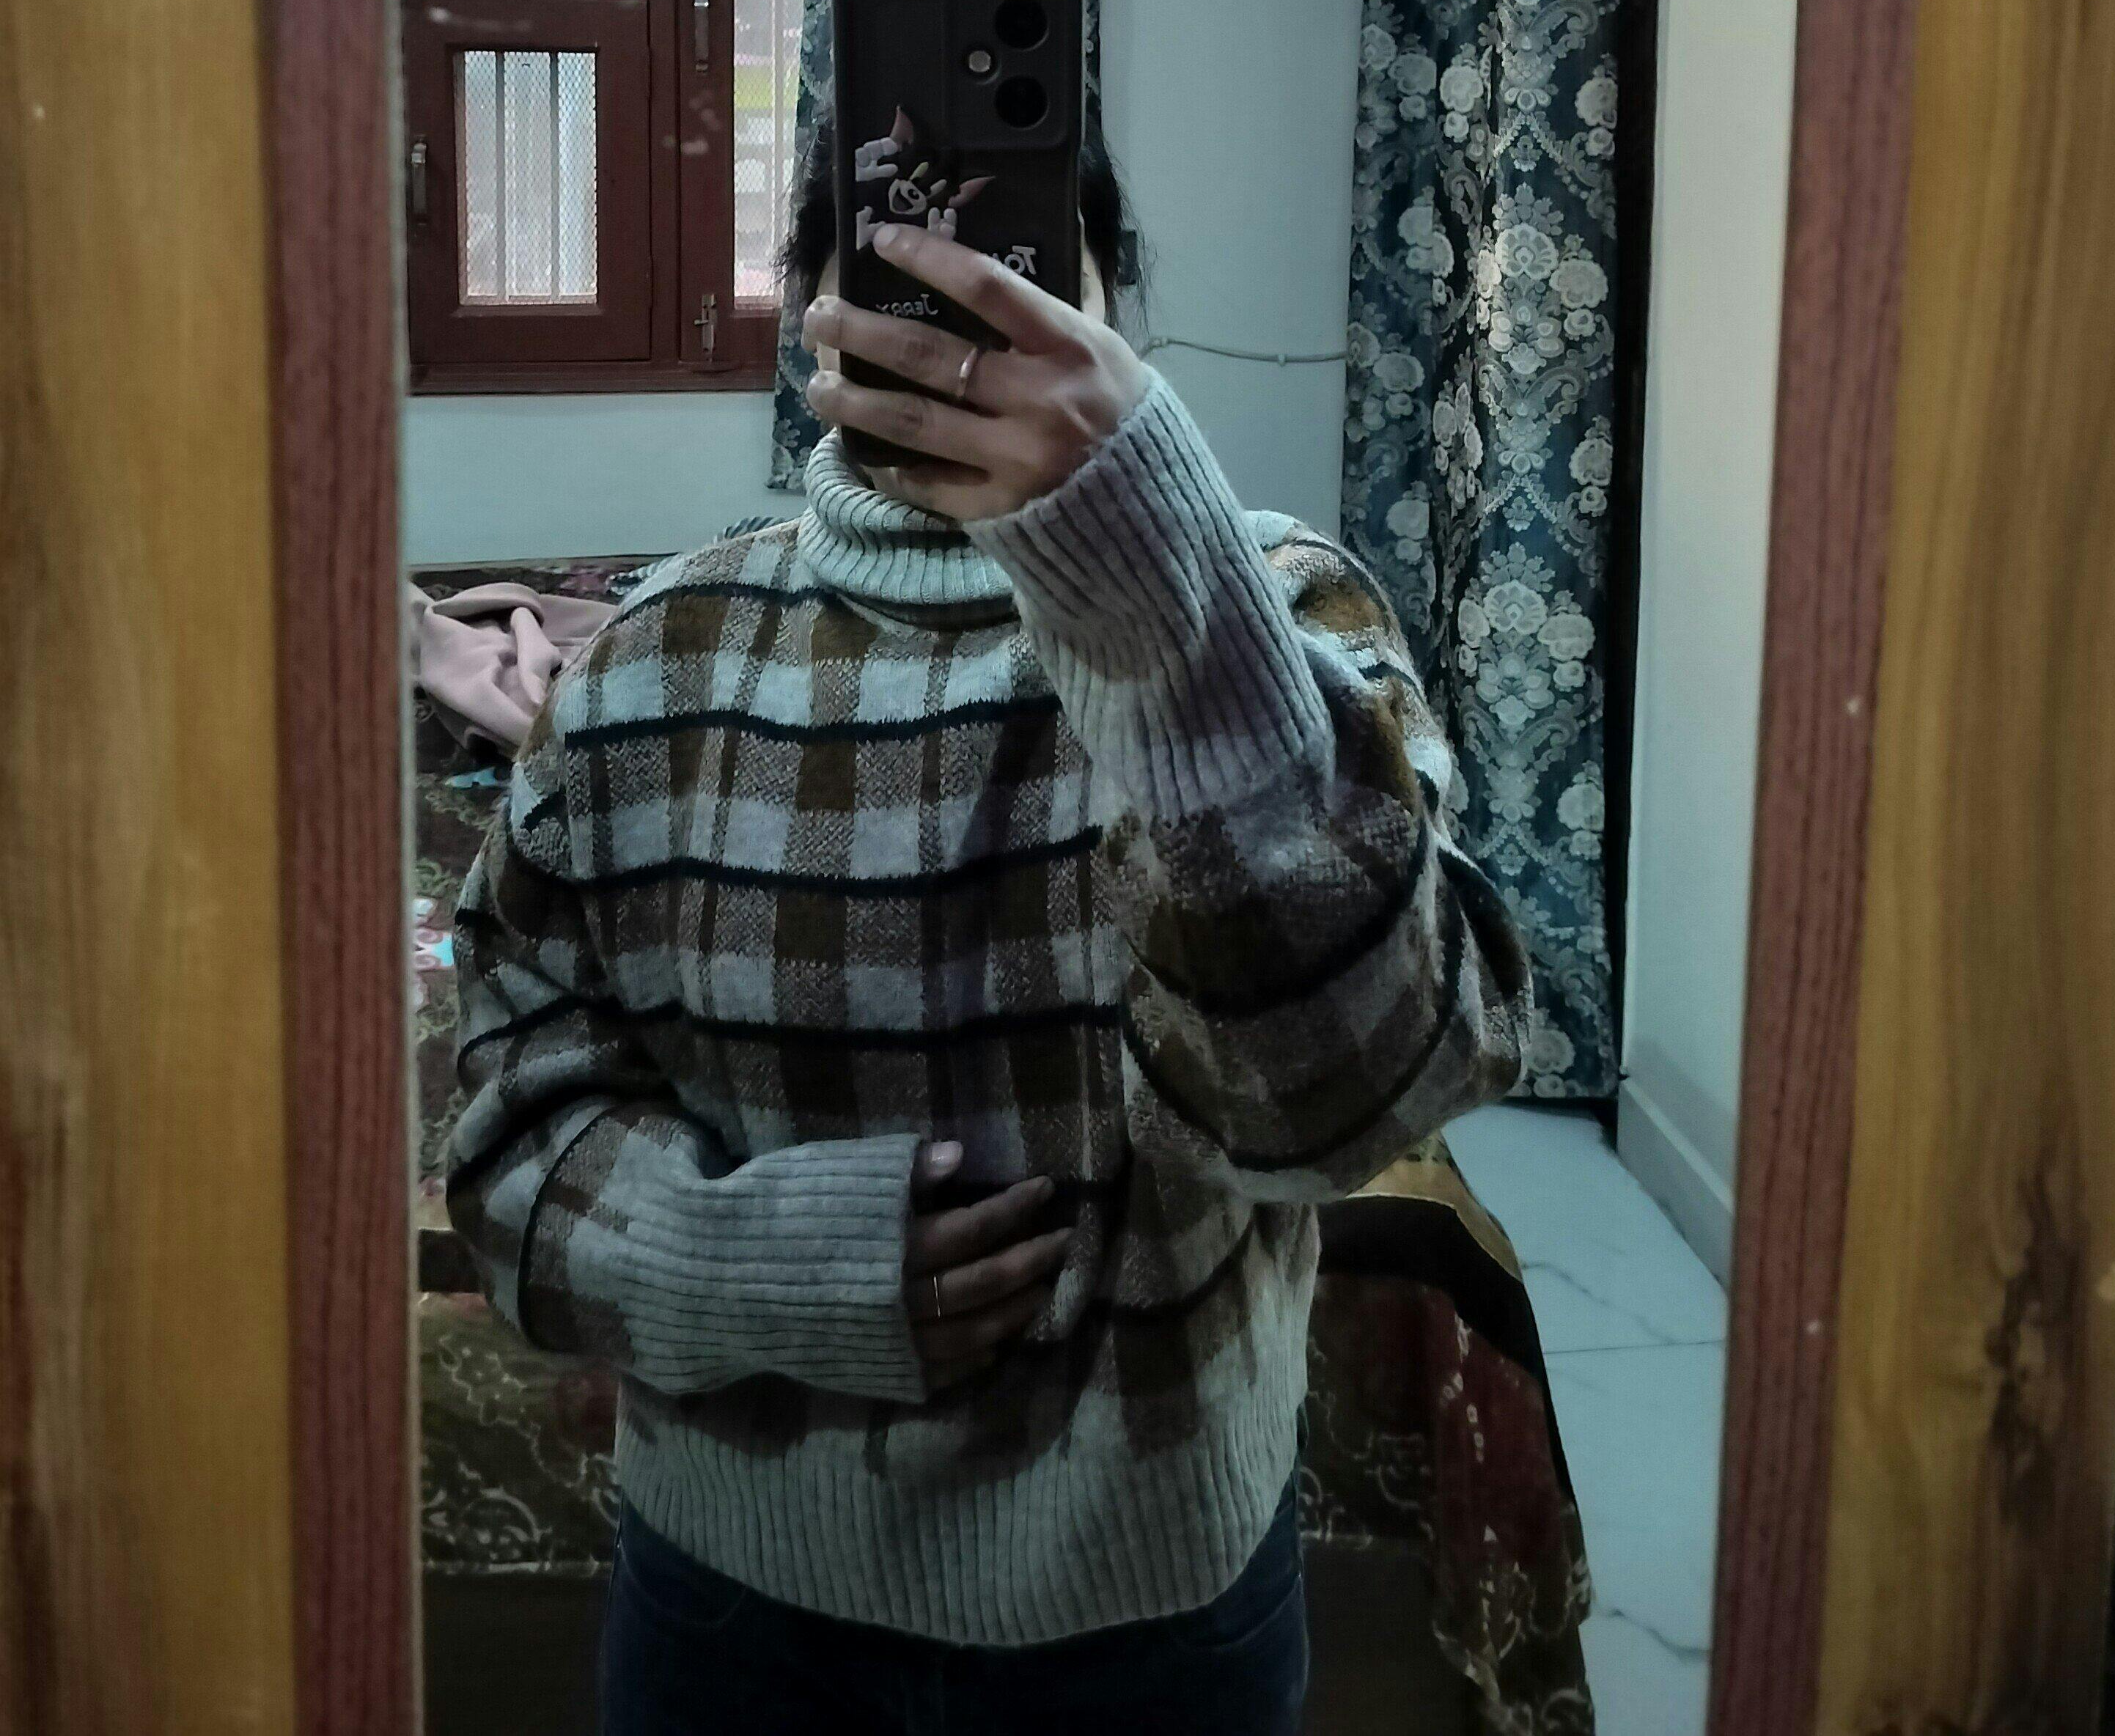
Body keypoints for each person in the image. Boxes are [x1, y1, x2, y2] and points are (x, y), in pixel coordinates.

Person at [445, 119, 1532, 1736]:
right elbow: (507, 1139)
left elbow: (1352, 1101)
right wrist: (747, 1263)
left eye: (1013, 259)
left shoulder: (1284, 613)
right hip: (731, 1602)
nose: (957, 308)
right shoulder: (657, 658)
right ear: (812, 320)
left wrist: (1163, 599)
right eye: (896, 255)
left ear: (1112, 313)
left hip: (1158, 1610)